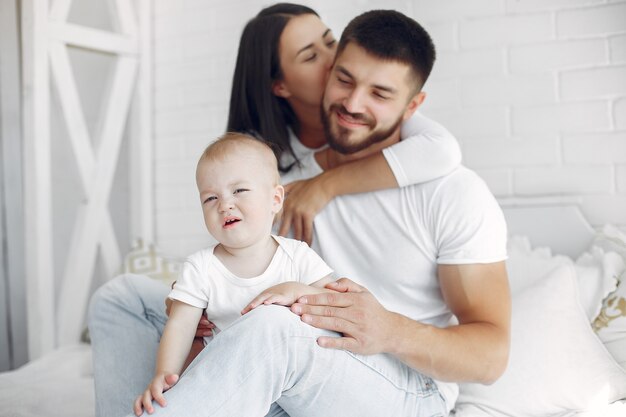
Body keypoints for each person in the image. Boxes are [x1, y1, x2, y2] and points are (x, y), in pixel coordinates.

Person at [106, 9, 509, 417]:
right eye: (344, 80)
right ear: (330, 73)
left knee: (273, 327)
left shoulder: (451, 191)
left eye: (380, 94)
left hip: (407, 391)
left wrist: (389, 329)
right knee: (122, 298)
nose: (353, 104)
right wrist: (204, 305)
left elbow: (491, 358)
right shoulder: (284, 180)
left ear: (412, 106)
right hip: (304, 364)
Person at [227, 3, 462, 245]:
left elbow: (442, 150)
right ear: (279, 86)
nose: (333, 59)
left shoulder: (379, 117)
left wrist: (324, 185)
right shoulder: (256, 157)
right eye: (310, 56)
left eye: (330, 42)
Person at [135, 133, 337, 415]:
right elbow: (180, 326)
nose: (224, 204)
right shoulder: (201, 266)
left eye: (239, 191)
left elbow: (333, 303)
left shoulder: (298, 256)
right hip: (232, 384)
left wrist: (297, 290)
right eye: (210, 198)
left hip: (292, 387)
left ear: (275, 199)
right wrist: (164, 374)